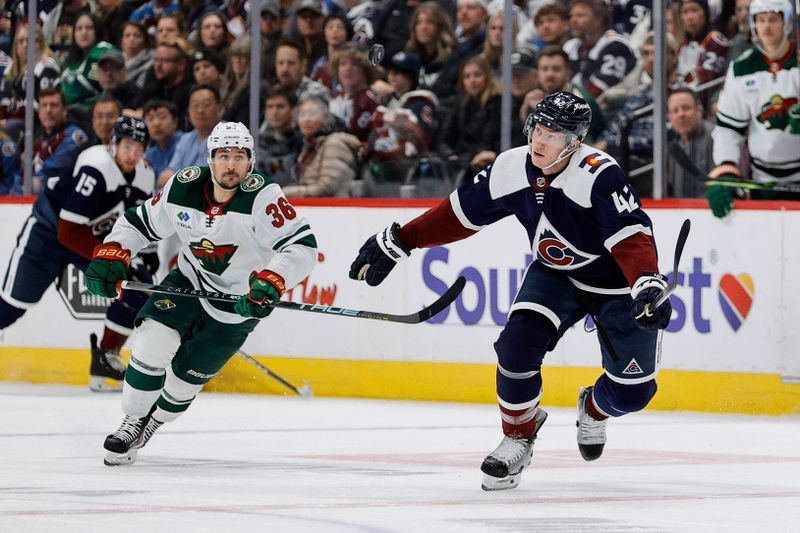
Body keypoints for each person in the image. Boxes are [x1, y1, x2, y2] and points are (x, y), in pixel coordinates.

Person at [348, 92, 672, 491]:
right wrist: (401, 239)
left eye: (551, 135)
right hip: (556, 275)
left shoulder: (598, 173)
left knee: (632, 394)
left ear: (574, 141)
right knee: (516, 347)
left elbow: (632, 237)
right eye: (537, 129)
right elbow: (459, 214)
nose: (538, 141)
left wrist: (646, 284)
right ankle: (518, 436)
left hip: (618, 286)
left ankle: (593, 409)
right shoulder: (511, 166)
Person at [83, 121, 317, 465]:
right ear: (210, 159)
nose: (231, 164)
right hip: (188, 284)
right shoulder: (184, 187)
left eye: (240, 156)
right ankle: (132, 421)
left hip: (238, 305)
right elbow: (137, 223)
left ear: (250, 161)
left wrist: (272, 279)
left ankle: (152, 424)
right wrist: (115, 249)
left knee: (181, 384)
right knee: (150, 344)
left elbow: (302, 247)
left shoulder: (264, 196)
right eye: (223, 155)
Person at [0, 116, 155, 391]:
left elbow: (139, 222)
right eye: (127, 146)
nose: (133, 154)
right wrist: (111, 257)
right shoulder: (96, 166)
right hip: (48, 236)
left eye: (139, 148)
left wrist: (143, 258)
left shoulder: (145, 175)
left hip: (91, 240)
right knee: (12, 308)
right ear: (113, 144)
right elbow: (68, 231)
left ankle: (105, 358)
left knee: (136, 287)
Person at [708, 0, 800, 217]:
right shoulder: (742, 68)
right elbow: (727, 128)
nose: (766, 27)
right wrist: (727, 168)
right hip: (762, 183)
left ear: (786, 22)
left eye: (773, 20)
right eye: (761, 20)